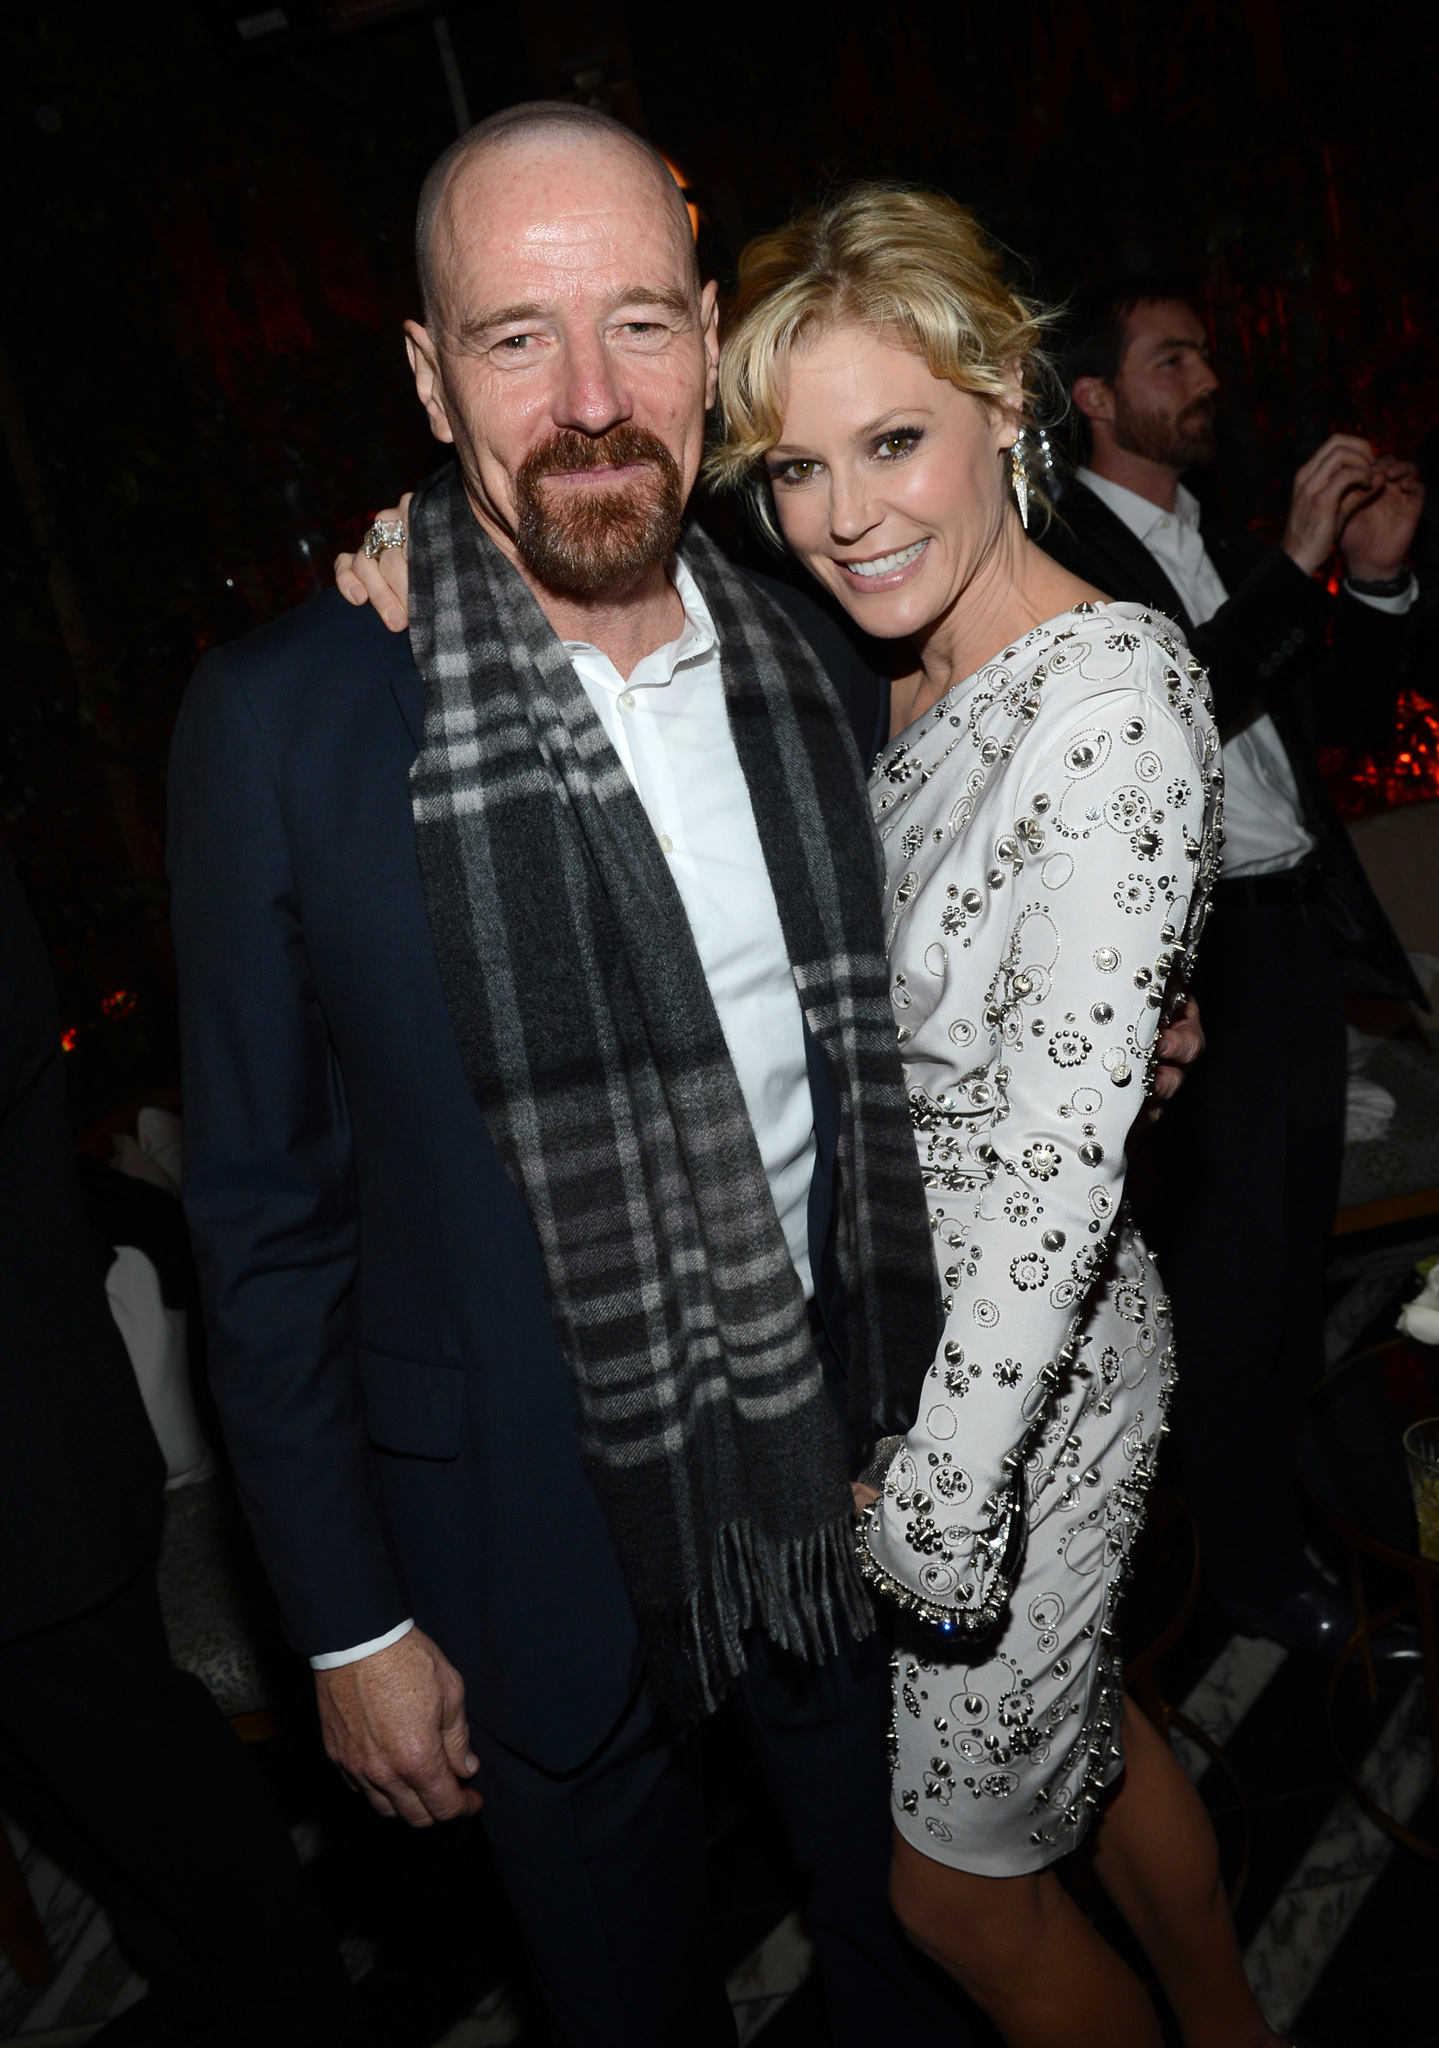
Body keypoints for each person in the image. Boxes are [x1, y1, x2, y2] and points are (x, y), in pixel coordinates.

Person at [172, 101, 1009, 2048]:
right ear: (422, 372)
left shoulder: (821, 633)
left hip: (847, 1456)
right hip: (508, 1543)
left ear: (711, 334)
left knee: (922, 1945)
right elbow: (263, 1217)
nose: (585, 397)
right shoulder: (284, 722)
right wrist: (348, 1618)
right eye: (512, 336)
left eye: (636, 322)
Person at [704, 181, 1286, 2048]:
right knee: (1093, 1738)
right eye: (791, 470)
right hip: (919, 1351)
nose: (842, 515)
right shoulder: (896, 657)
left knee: (951, 1894)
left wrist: (947, 1496)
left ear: (1009, 402)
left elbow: (1051, 1158)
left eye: (889, 442)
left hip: (1013, 1394)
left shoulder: (1108, 696)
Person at [1037, 279, 1427, 1658]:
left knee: (1290, 1274)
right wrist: (1298, 563)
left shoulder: (1212, 539)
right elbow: (1156, 727)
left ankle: (1297, 1532)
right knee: (1225, 1287)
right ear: (1094, 398)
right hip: (1190, 964)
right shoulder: (1062, 551)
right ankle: (1260, 1578)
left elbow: (1333, 726)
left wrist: (1368, 576)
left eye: (1201, 350)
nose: (1204, 372)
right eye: (1171, 356)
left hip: (1290, 931)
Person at [0, 861, 358, 2048]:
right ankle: (210, 1989)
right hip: (35, 1441)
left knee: (142, 1765)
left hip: (28, 1452)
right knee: (79, 1780)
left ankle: (291, 2003)